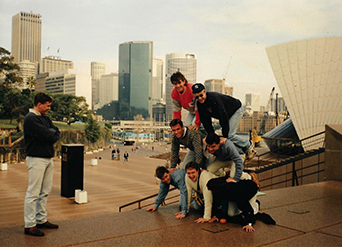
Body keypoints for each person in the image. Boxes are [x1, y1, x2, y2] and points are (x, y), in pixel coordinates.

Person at [23, 92, 61, 237]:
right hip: (36, 158)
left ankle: (41, 219)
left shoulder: (44, 118)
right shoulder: (30, 119)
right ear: (39, 104)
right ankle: (29, 224)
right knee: (33, 193)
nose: (49, 108)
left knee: (45, 191)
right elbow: (49, 135)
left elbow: (55, 132)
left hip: (47, 158)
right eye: (47, 105)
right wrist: (51, 133)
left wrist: (51, 133)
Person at [192, 83, 256, 163]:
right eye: (197, 97)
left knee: (230, 135)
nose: (200, 98)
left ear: (205, 92)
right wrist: (211, 135)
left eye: (201, 95)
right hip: (227, 113)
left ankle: (248, 145)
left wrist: (225, 135)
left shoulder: (214, 99)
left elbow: (223, 117)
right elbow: (206, 121)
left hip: (235, 109)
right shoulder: (199, 104)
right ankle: (241, 151)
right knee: (226, 136)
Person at [207, 177, 276, 232]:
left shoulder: (236, 193)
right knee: (231, 214)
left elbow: (247, 208)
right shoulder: (221, 186)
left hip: (251, 189)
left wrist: (249, 224)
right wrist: (215, 215)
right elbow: (216, 202)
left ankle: (256, 204)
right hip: (239, 192)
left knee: (251, 211)